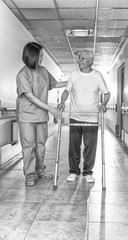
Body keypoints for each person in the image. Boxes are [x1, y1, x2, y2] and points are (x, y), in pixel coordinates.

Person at [16, 42, 67, 187]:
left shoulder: (43, 71)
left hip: (41, 116)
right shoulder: (22, 74)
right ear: (32, 55)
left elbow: (55, 84)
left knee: (41, 145)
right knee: (29, 146)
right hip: (27, 116)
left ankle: (40, 170)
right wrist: (50, 109)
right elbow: (30, 97)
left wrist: (72, 81)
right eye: (41, 55)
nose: (42, 57)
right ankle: (30, 175)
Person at [58, 50, 110, 183]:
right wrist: (62, 102)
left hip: (92, 118)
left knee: (90, 148)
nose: (80, 60)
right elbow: (66, 91)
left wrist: (103, 104)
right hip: (75, 116)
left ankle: (88, 172)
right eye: (79, 58)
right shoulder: (74, 75)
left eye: (83, 58)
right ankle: (74, 171)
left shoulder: (97, 76)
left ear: (91, 61)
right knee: (74, 146)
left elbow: (107, 93)